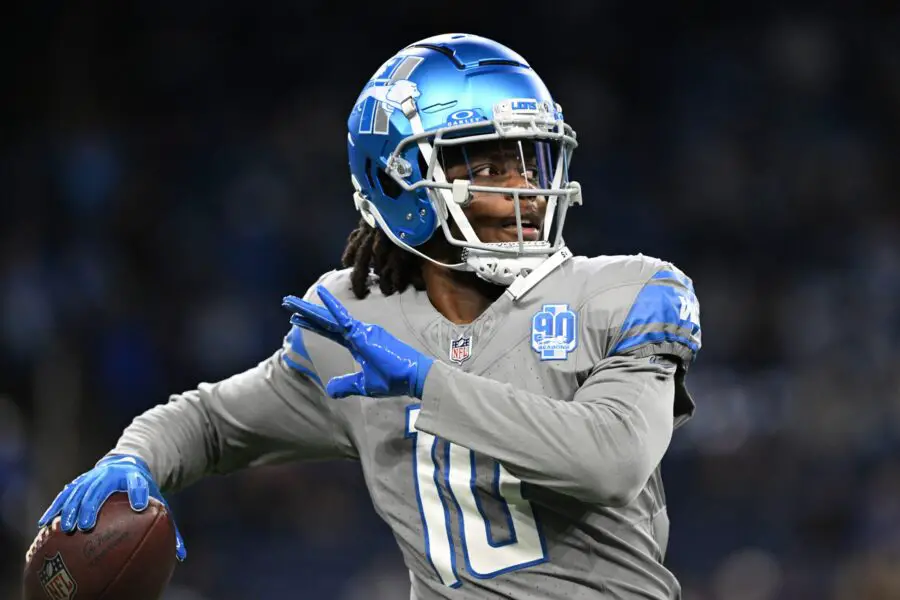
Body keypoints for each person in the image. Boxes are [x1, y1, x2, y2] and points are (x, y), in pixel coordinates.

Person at [37, 33, 702, 599]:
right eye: (491, 162)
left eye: (532, 159)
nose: (525, 187)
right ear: (400, 180)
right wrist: (135, 458)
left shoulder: (632, 291)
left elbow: (611, 460)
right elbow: (211, 423)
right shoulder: (354, 324)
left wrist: (427, 384)